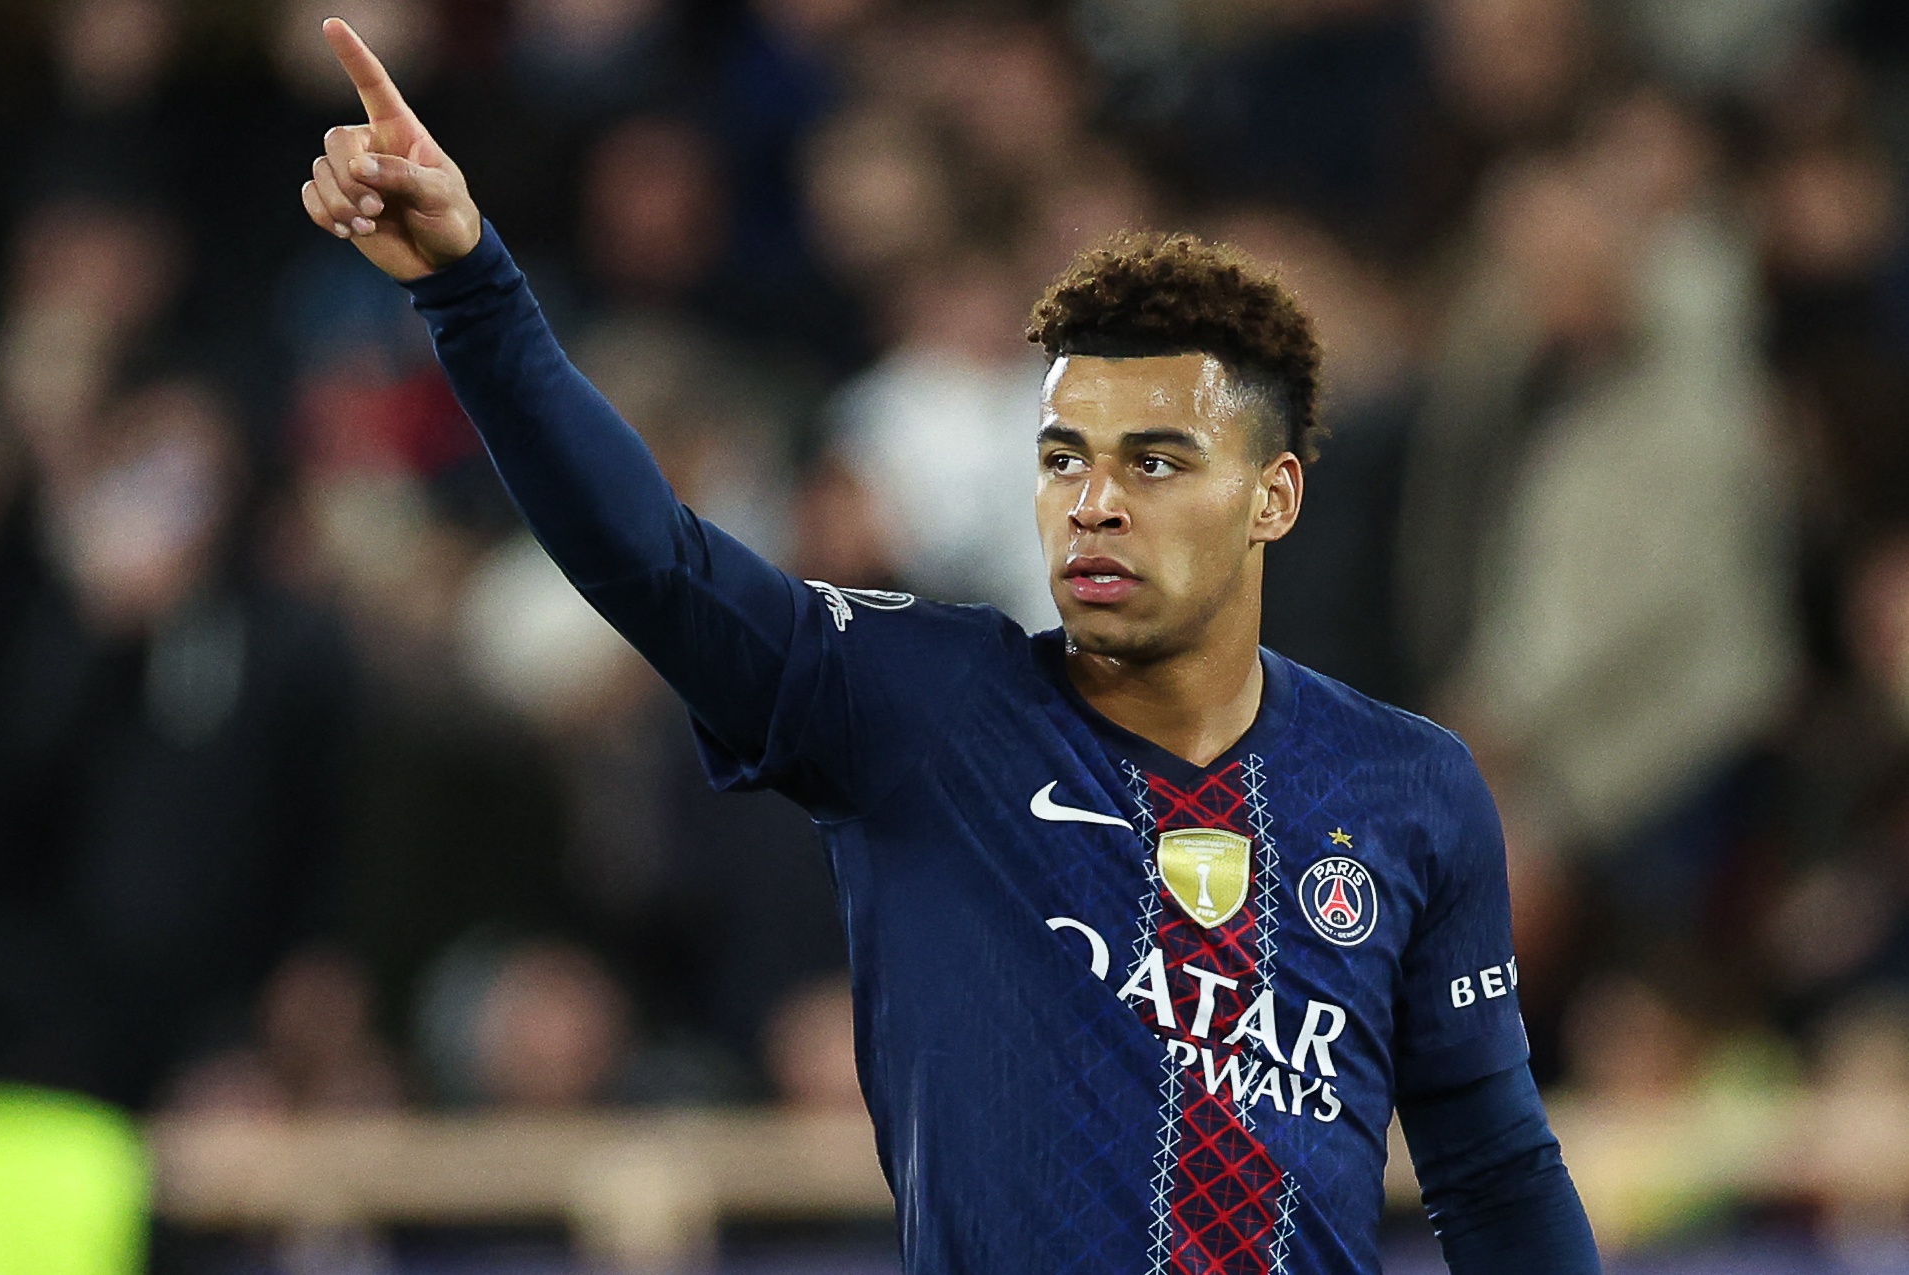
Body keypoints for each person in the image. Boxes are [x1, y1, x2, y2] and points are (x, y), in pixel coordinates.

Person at [297, 20, 1599, 1273]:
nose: (1095, 500)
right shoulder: (922, 705)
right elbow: (651, 560)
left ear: (1272, 499)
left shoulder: (1410, 791)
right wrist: (473, 288)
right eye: (1061, 460)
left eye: (1155, 461)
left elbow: (1489, 1168)